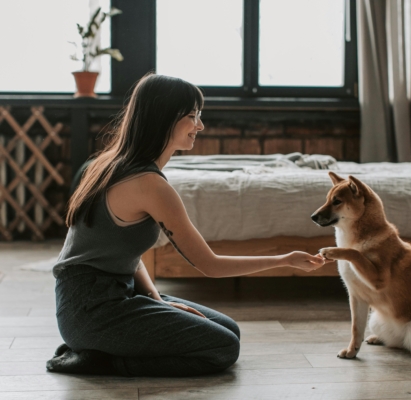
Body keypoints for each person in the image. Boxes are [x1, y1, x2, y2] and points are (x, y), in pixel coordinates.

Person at [46, 73, 326, 377]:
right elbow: (210, 265)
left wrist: (156, 300)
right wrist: (284, 259)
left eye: (199, 115)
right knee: (223, 347)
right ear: (163, 118)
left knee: (227, 329)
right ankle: (99, 360)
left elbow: (124, 251)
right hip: (92, 311)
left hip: (106, 296)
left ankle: (103, 347)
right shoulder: (148, 184)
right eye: (192, 116)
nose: (200, 126)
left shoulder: (113, 163)